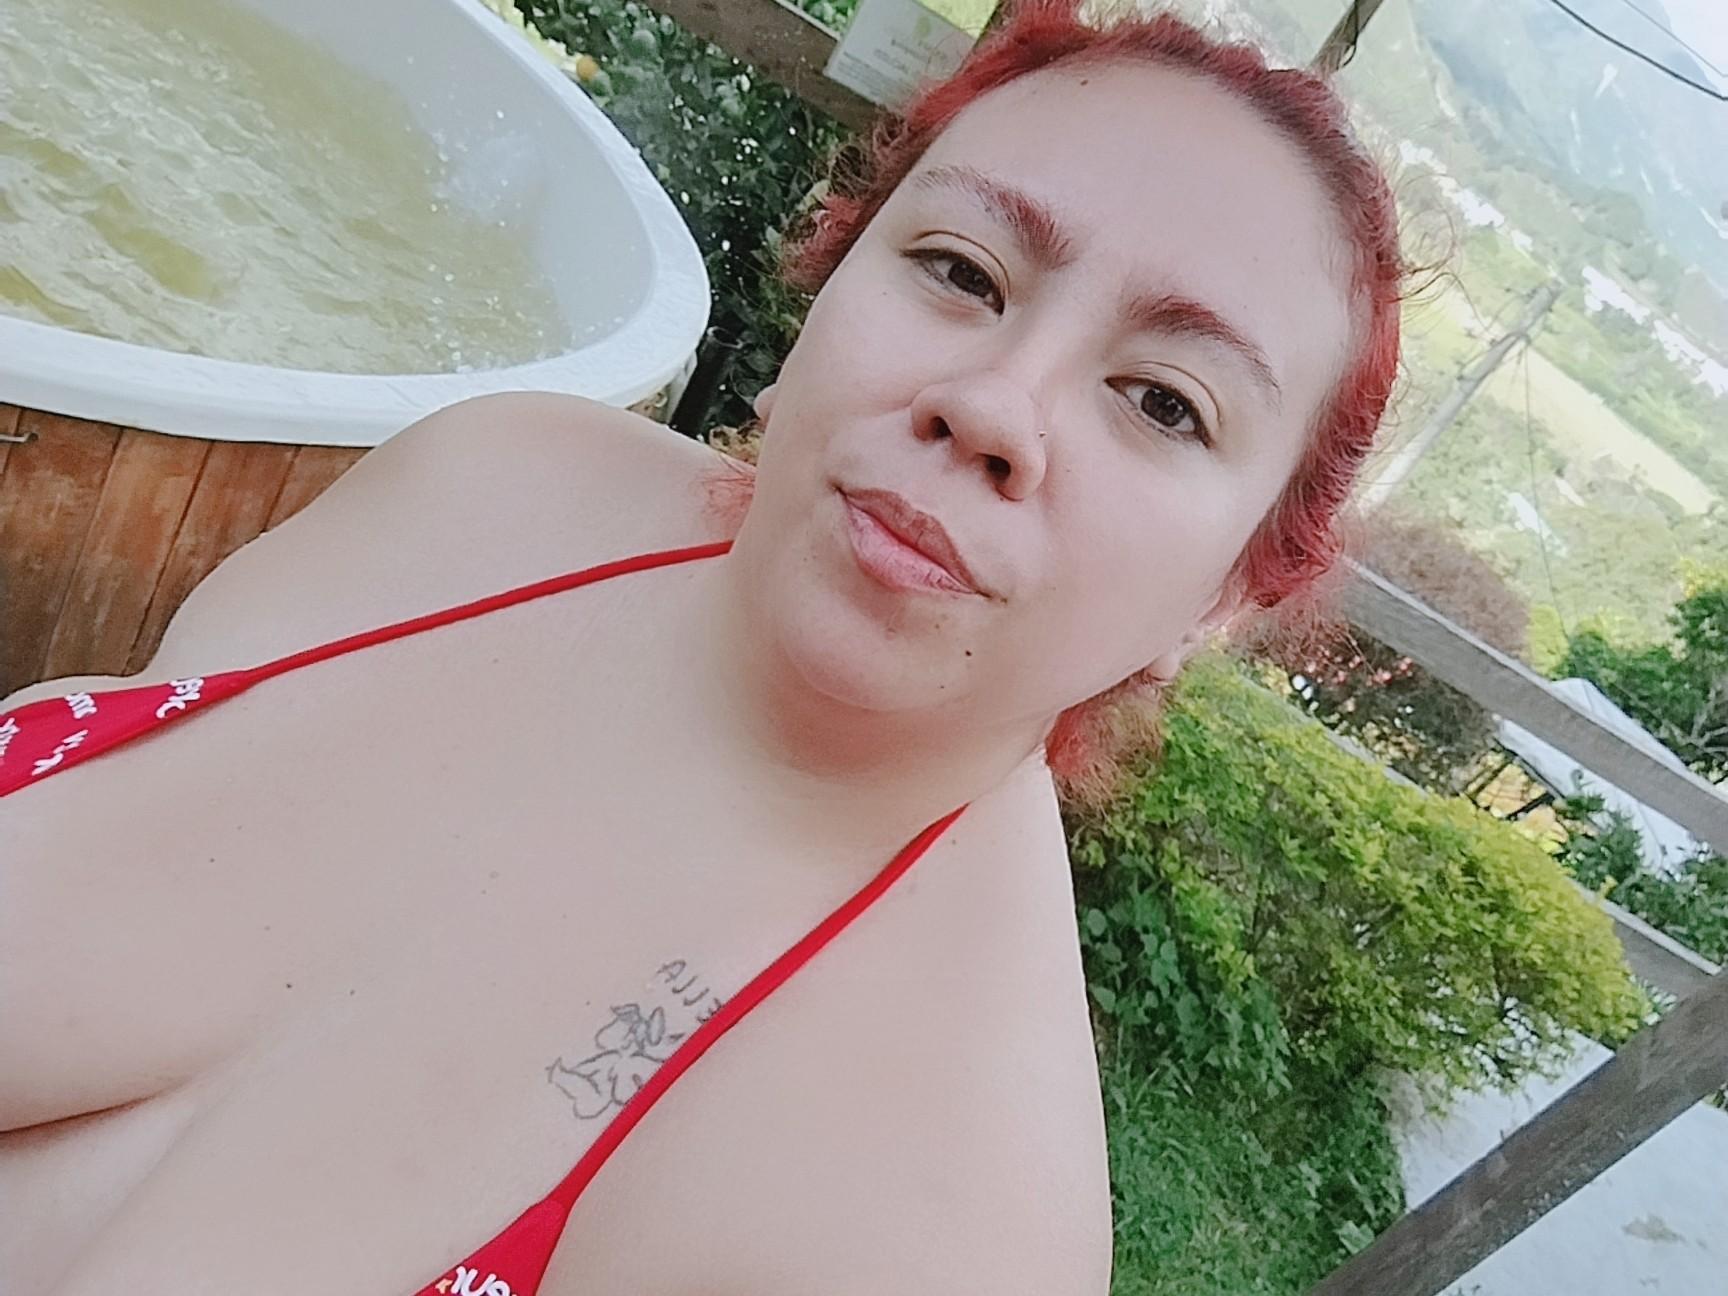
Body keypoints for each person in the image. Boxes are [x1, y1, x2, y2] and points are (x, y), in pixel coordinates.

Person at [0, 2, 1405, 1292]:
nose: (993, 401)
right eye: (961, 270)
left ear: (1224, 599)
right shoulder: (494, 485)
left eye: (1164, 403)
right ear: (833, 277)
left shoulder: (938, 1236)